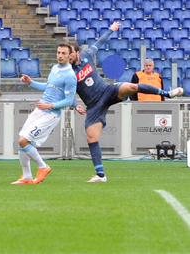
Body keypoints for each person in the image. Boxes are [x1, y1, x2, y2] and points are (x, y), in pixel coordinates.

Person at [69, 22, 184, 182]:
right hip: (94, 106)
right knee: (92, 138)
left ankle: (167, 93)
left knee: (131, 86)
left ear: (77, 52)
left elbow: (99, 42)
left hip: (107, 91)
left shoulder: (87, 56)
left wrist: (111, 29)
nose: (67, 56)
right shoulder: (67, 73)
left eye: (69, 53)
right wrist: (75, 105)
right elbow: (65, 93)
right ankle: (101, 175)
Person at [12, 44, 77, 185]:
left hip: (51, 114)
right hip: (40, 109)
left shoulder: (70, 76)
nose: (60, 55)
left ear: (69, 56)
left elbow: (69, 100)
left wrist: (50, 105)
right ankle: (27, 177)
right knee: (22, 142)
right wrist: (31, 83)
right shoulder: (54, 68)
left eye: (63, 53)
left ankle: (43, 167)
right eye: (58, 52)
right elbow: (48, 87)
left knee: (24, 141)